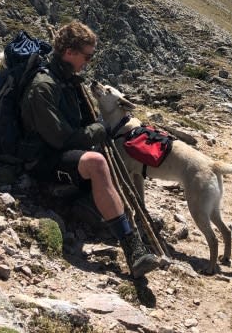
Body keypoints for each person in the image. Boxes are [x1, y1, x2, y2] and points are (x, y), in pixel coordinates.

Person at [19, 20, 160, 278]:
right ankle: (133, 248)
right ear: (69, 52)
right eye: (87, 56)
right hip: (42, 160)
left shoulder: (68, 81)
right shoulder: (44, 87)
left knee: (105, 166)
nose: (88, 62)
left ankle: (124, 218)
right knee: (97, 163)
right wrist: (99, 129)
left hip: (61, 152)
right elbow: (60, 139)